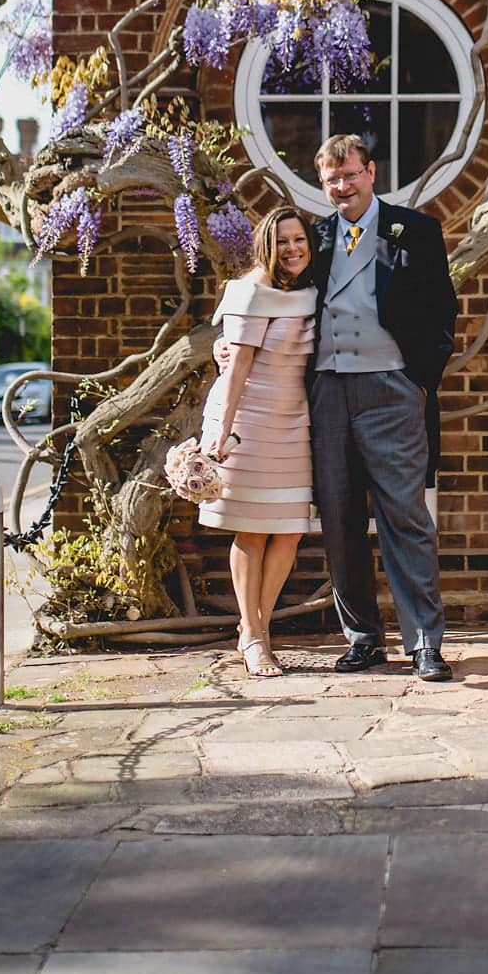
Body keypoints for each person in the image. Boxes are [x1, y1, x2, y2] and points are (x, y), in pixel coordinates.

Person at [308, 133, 459, 682]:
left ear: (370, 172)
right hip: (327, 389)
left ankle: (424, 642)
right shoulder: (315, 237)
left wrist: (420, 381)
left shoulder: (414, 230)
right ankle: (363, 638)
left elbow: (444, 308)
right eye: (331, 181)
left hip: (391, 388)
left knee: (404, 515)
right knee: (339, 517)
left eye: (349, 175)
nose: (342, 187)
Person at [201, 204, 316, 678]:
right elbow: (239, 368)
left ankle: (256, 628)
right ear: (266, 246)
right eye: (282, 241)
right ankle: (253, 636)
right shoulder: (252, 292)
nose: (292, 249)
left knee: (289, 529)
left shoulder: (309, 290)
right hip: (249, 417)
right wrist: (222, 431)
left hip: (292, 421)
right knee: (250, 528)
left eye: (299, 240)